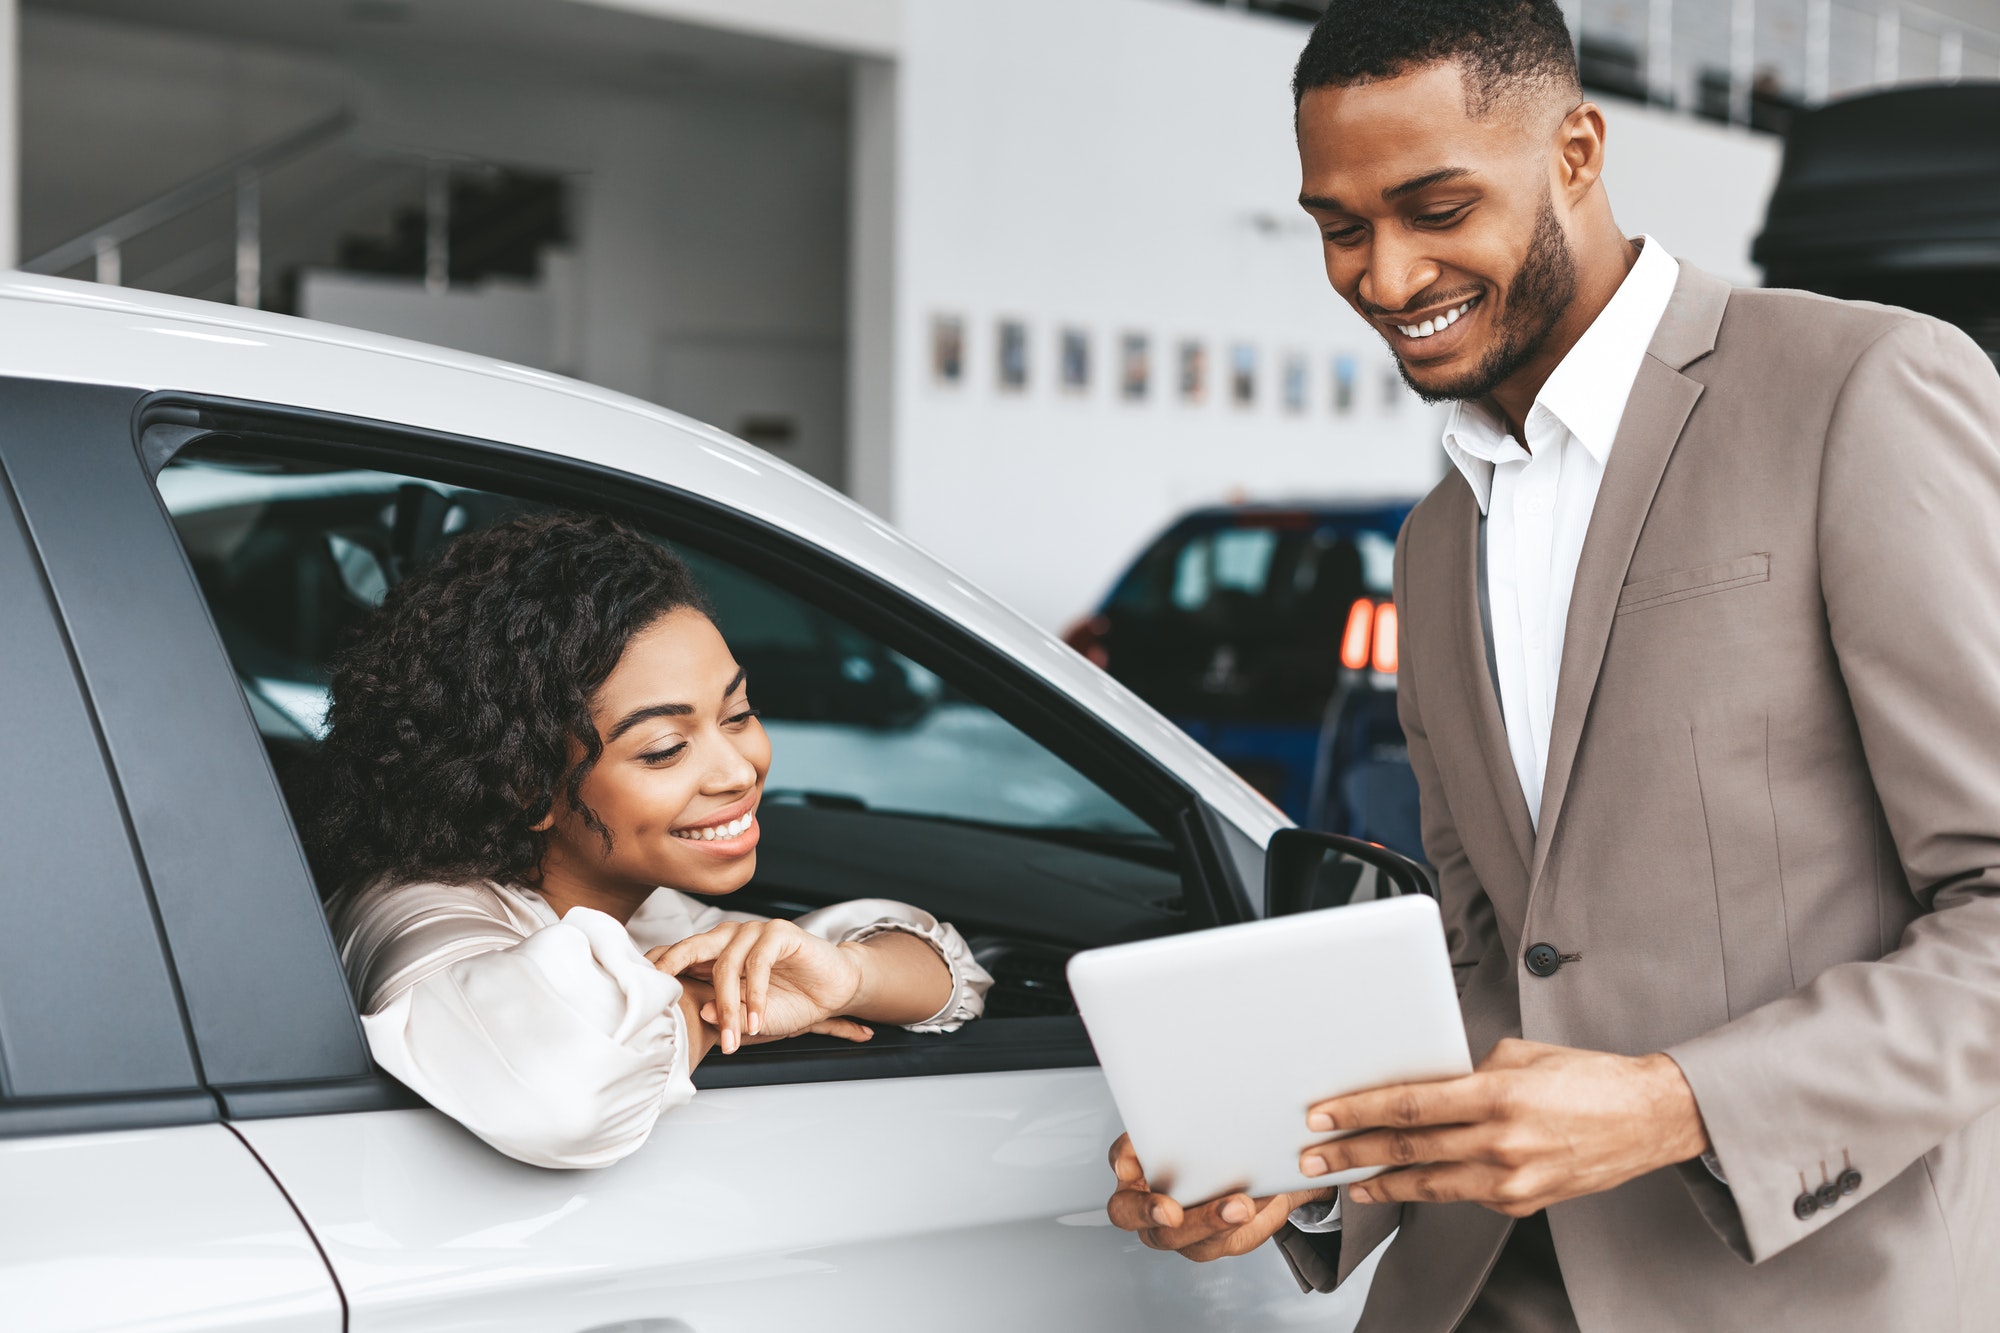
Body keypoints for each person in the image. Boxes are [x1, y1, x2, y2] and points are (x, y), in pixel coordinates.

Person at [1105, 2, 2000, 1328]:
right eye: (1340, 226)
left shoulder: (1859, 388)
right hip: (1478, 1292)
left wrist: (1673, 1104)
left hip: (1799, 1289)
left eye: (1435, 207)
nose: (1387, 276)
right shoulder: (1434, 540)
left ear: (1576, 152)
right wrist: (1290, 1170)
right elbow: (1492, 964)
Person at [302, 511, 991, 1169]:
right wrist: (722, 1010)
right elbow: (559, 1089)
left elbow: (949, 970)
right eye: (665, 748)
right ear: (527, 787)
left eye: (739, 713)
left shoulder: (644, 904)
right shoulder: (418, 913)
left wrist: (849, 979)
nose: (737, 769)